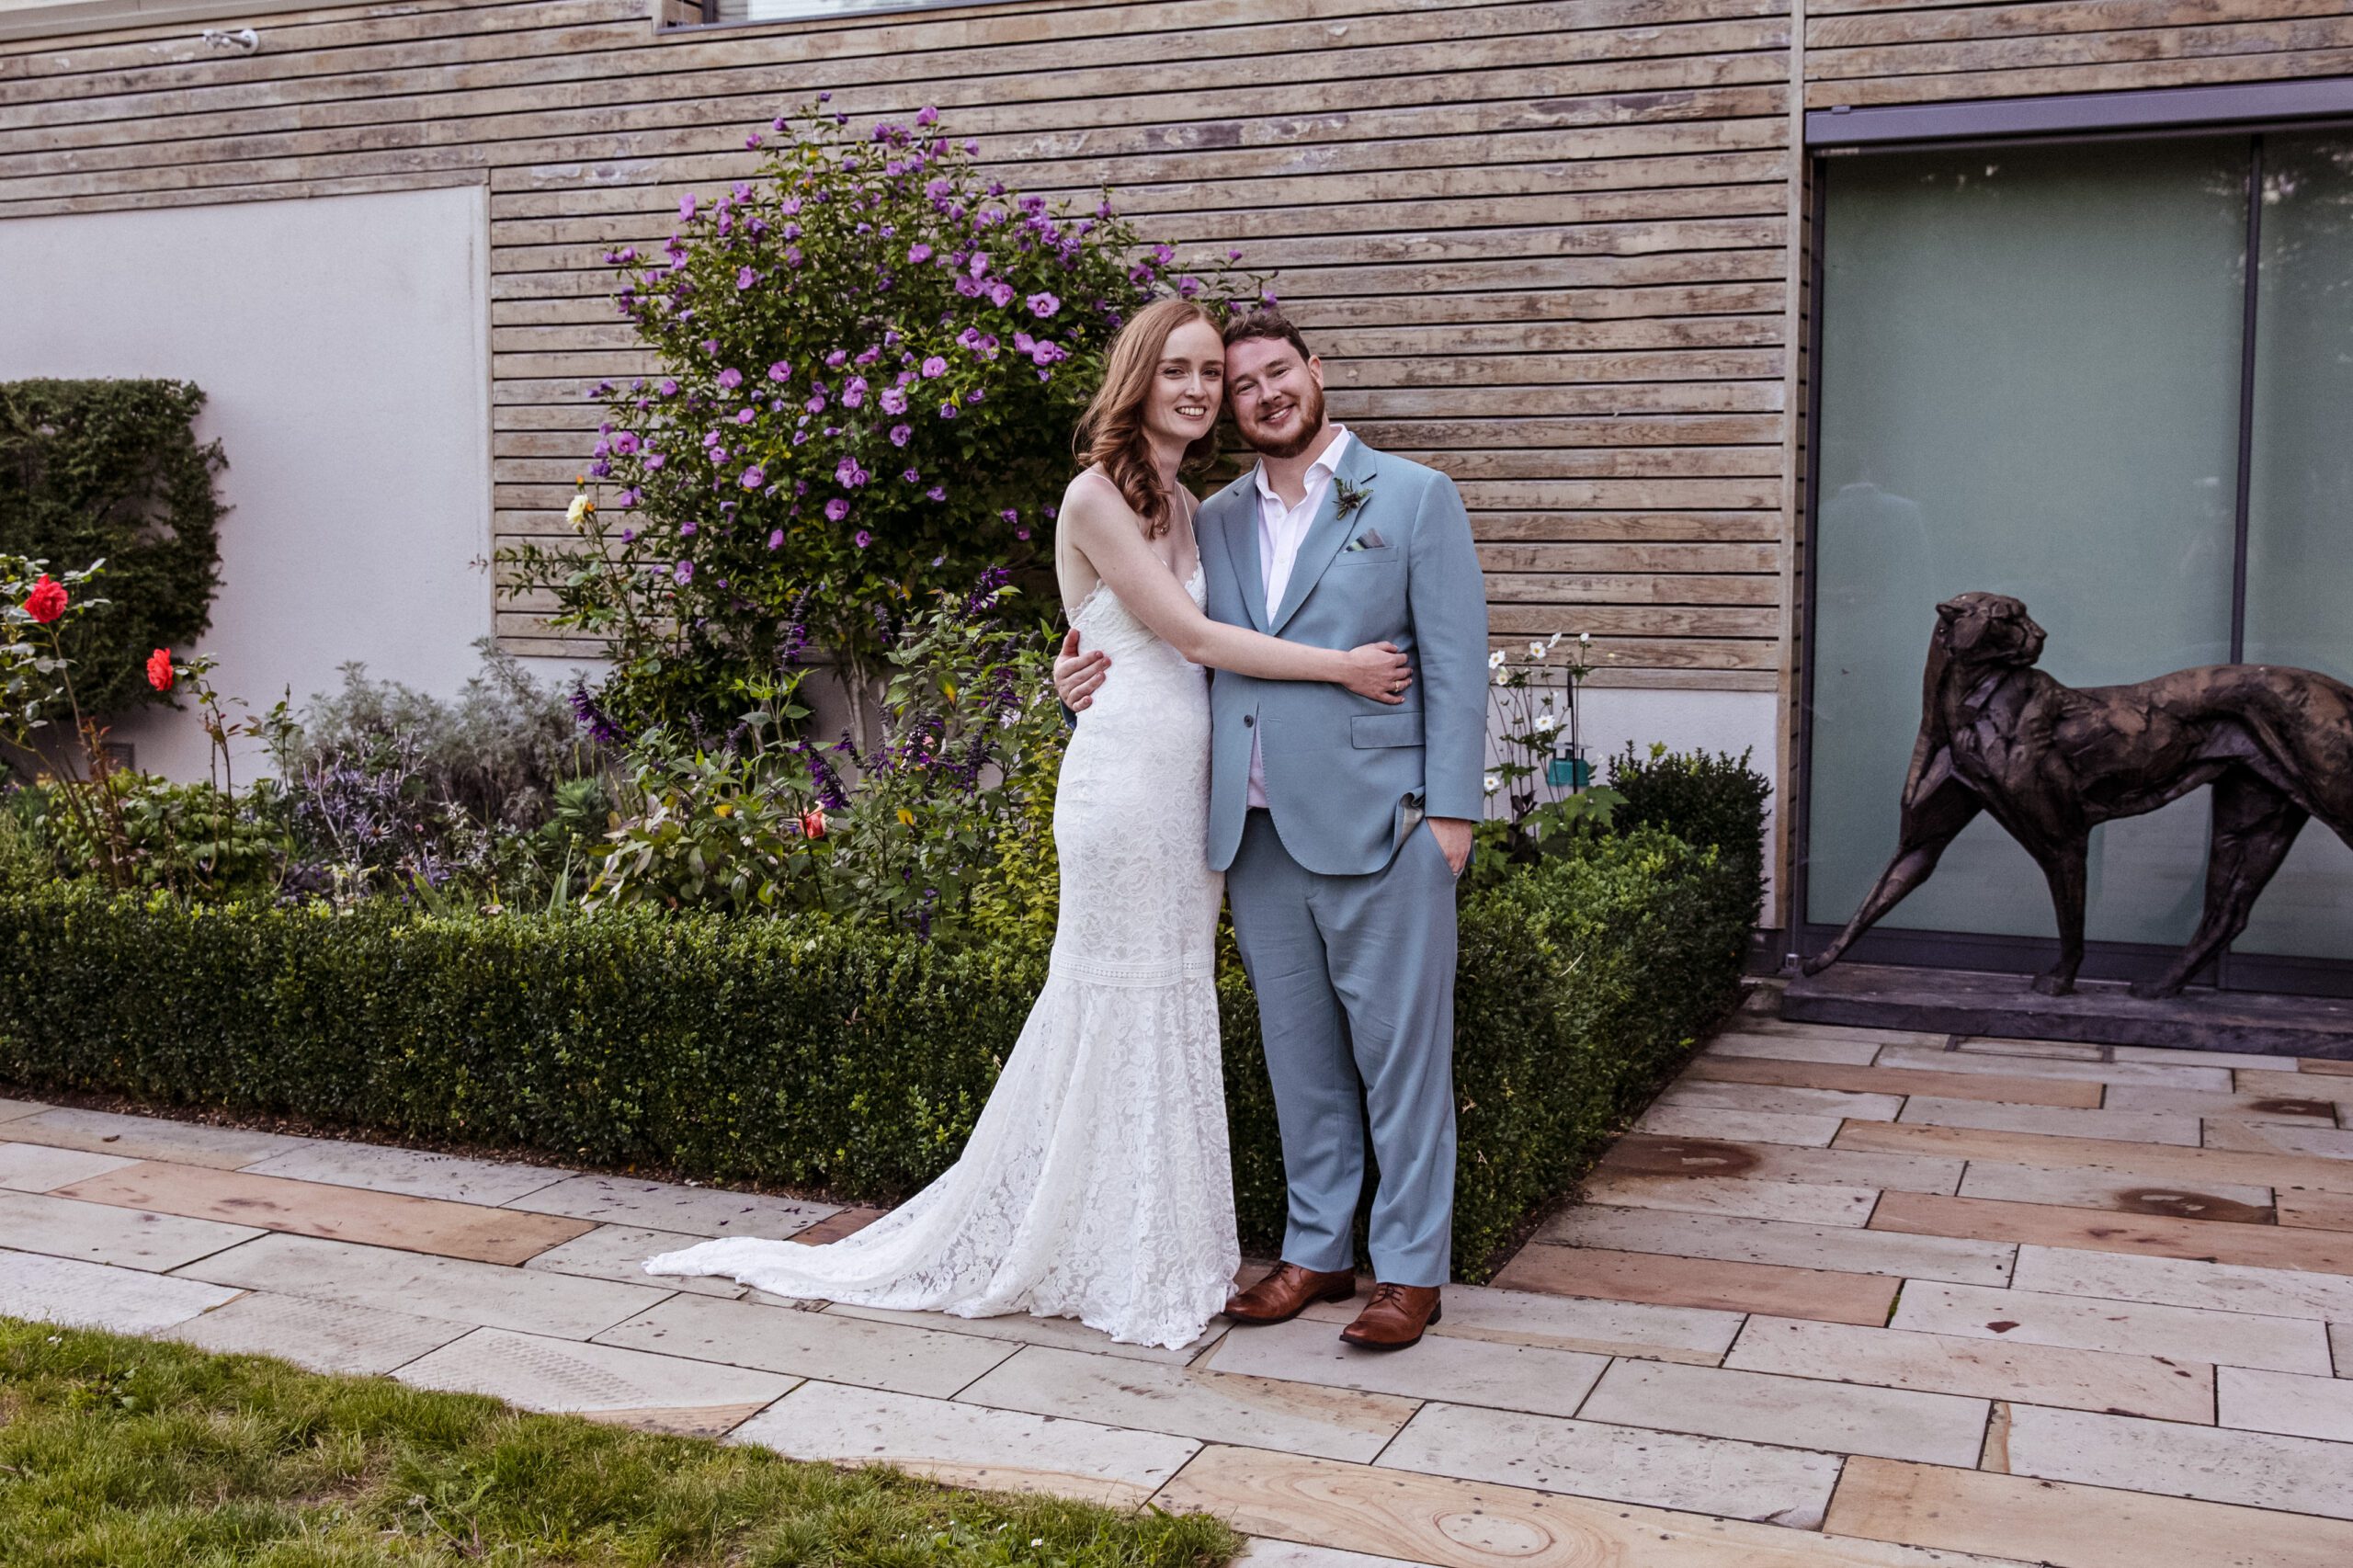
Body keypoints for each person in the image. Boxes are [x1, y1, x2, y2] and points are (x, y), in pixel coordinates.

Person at [642, 297, 1411, 1350]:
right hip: (1128, 786)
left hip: (1189, 789)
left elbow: (1102, 633)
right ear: (1136, 381)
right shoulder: (1095, 494)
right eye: (1175, 370)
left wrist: (1067, 667)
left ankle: (1146, 1243)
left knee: (1166, 998)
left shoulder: (1188, 504)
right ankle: (1104, 1250)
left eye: (1206, 374)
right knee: (1119, 997)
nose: (1194, 389)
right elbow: (1185, 633)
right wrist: (1343, 666)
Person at [1054, 307, 1487, 1350]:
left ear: (1315, 373)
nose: (1257, 394)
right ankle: (1315, 1250)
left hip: (1384, 827)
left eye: (1269, 373)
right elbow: (1163, 635)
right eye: (1235, 384)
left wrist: (1453, 818)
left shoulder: (1415, 497)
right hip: (1249, 834)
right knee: (1300, 1060)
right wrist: (1071, 678)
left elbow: (1458, 660)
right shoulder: (1215, 517)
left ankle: (1412, 1270)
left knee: (1402, 1062)